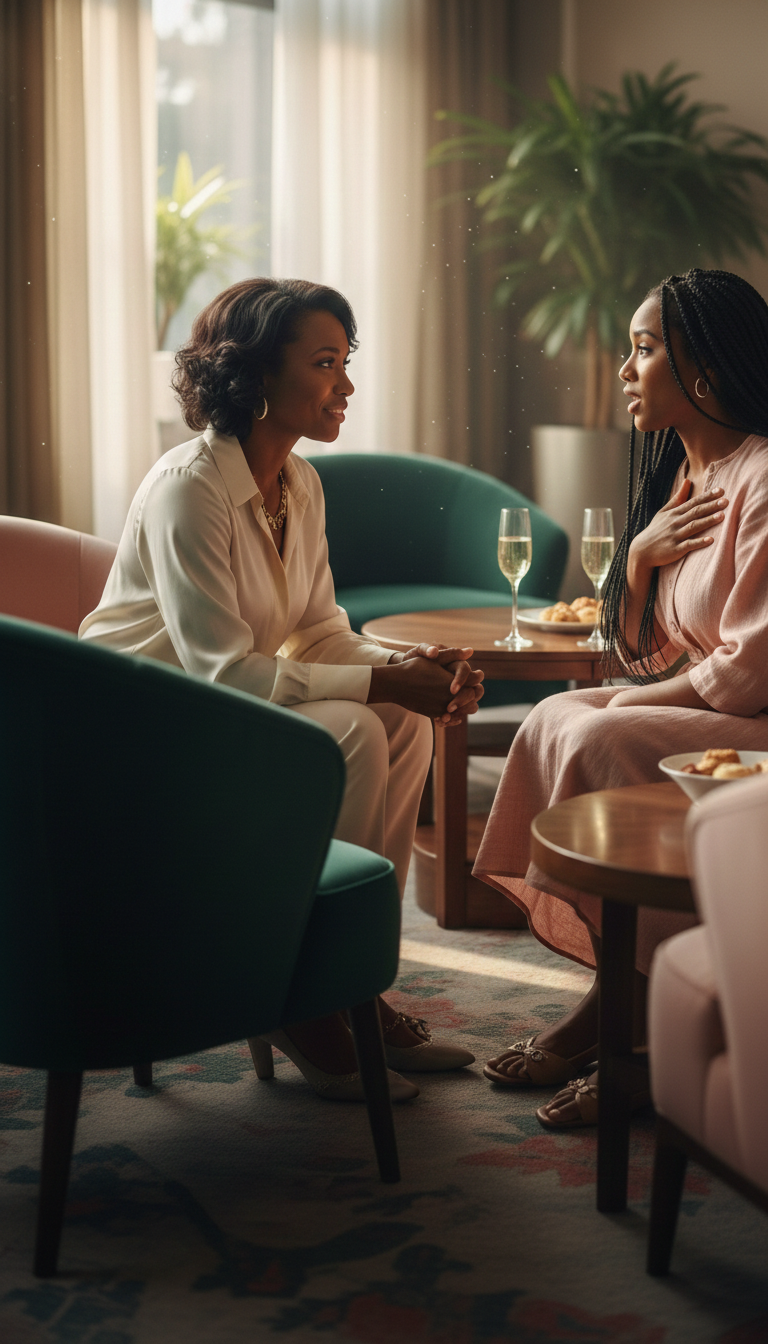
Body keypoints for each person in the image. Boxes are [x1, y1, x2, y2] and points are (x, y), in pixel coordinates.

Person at [80, 277, 482, 1102]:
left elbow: (320, 628)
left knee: (400, 725)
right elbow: (220, 671)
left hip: (224, 720)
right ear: (257, 375)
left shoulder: (300, 484)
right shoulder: (189, 489)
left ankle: (353, 977)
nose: (348, 384)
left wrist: (406, 672)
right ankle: (307, 1001)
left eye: (348, 360)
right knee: (358, 728)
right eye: (326, 362)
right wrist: (380, 681)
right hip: (143, 736)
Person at [474, 267, 768, 1127]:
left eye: (644, 351)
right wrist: (638, 556)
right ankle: (620, 1006)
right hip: (722, 713)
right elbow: (640, 655)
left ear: (705, 369)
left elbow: (749, 669)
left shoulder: (761, 480)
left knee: (596, 733)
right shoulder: (688, 480)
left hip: (752, 719)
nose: (626, 370)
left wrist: (631, 706)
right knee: (556, 716)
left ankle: (621, 1020)